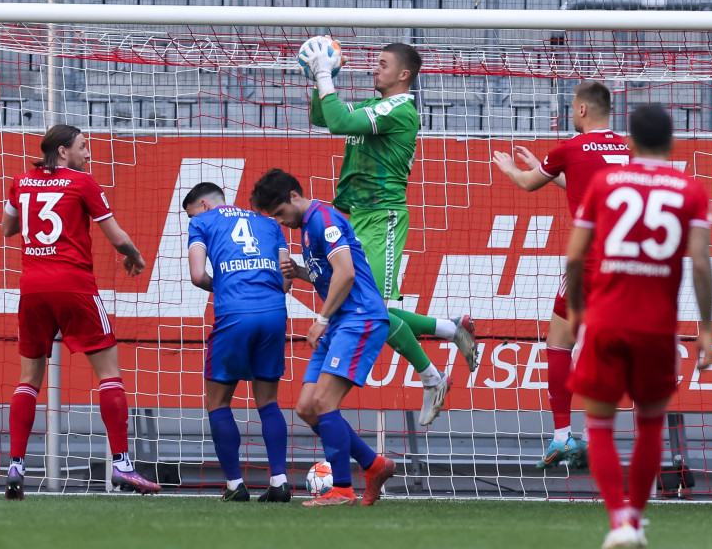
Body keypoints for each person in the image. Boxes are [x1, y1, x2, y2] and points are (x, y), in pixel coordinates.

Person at [302, 38, 478, 426]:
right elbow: (322, 117)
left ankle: (433, 376)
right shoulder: (374, 106)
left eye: (381, 64)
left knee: (374, 310)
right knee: (374, 308)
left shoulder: (400, 109)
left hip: (383, 217)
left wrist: (324, 73)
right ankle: (450, 331)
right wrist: (318, 79)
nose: (372, 68)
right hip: (355, 217)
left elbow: (338, 123)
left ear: (404, 74)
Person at [565, 104, 712, 548]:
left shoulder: (605, 183)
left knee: (600, 425)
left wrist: (575, 312)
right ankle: (637, 515)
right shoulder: (691, 189)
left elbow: (575, 257)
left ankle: (620, 523)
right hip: (657, 327)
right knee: (650, 425)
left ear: (629, 142)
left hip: (606, 319)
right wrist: (705, 327)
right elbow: (701, 264)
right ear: (671, 143)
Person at [0, 124, 160, 499]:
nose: (88, 154)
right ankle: (121, 465)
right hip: (74, 287)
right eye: (83, 147)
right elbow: (118, 238)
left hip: (33, 288)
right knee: (109, 374)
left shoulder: (21, 180)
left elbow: (7, 228)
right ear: (62, 152)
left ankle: (16, 465)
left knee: (28, 380)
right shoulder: (83, 183)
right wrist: (135, 256)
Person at [492, 81, 630, 468]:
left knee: (558, 345)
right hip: (625, 264)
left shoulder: (569, 147)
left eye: (572, 106)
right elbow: (589, 186)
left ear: (583, 110)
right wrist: (545, 168)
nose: (571, 112)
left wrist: (513, 170)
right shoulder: (624, 149)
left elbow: (526, 186)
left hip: (588, 264)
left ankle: (563, 437)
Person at [250, 168, 397, 507]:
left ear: (294, 197)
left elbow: (345, 273)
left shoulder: (323, 218)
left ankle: (342, 489)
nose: (281, 221)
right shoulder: (305, 226)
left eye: (280, 213)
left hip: (358, 318)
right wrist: (301, 273)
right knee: (306, 408)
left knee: (323, 403)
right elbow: (331, 273)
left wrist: (321, 318)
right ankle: (374, 465)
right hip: (340, 323)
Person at [183, 182, 292, 503]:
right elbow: (286, 278)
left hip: (234, 313)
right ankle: (280, 481)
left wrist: (229, 287)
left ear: (203, 205)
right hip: (273, 312)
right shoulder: (270, 222)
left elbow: (197, 275)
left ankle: (234, 484)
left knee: (218, 402)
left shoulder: (201, 222)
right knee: (268, 401)